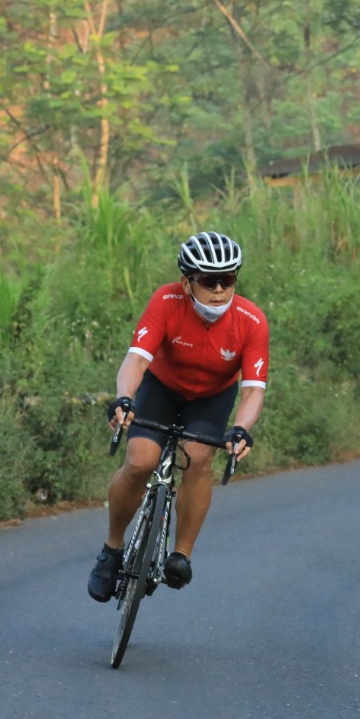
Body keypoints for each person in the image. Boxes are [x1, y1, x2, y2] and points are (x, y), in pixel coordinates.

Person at [89, 232, 269, 602]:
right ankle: (111, 550)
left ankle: (181, 554)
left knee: (199, 458)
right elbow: (138, 358)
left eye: (228, 279)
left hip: (212, 398)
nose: (219, 289)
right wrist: (123, 398)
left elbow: (253, 389)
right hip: (163, 388)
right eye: (208, 280)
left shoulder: (251, 321)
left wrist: (241, 429)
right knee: (140, 462)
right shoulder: (166, 301)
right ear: (187, 282)